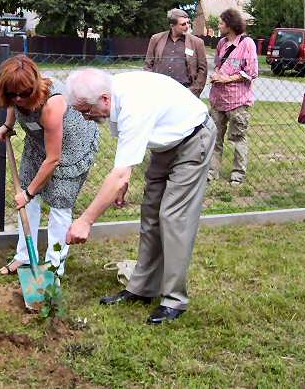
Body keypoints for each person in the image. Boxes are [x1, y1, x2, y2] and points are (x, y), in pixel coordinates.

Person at [64, 69, 217, 325]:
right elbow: (127, 155)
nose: (86, 118)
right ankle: (142, 288)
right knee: (150, 214)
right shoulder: (115, 95)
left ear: (104, 99)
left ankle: (174, 300)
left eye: (86, 111)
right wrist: (123, 178)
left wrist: (86, 220)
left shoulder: (133, 105)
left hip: (193, 139)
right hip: (165, 144)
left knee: (173, 217)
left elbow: (119, 172)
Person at [0, 55, 99, 277]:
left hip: (71, 145)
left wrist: (30, 192)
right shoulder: (16, 95)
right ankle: (23, 257)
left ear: (32, 88)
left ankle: (53, 268)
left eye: (24, 94)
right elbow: (14, 103)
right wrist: (7, 124)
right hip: (38, 140)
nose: (19, 99)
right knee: (26, 202)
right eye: (13, 94)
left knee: (59, 203)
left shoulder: (52, 104)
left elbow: (53, 159)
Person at [207, 8, 258, 184]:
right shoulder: (221, 43)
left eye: (221, 23)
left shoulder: (247, 43)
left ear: (230, 25)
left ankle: (237, 175)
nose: (219, 26)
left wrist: (227, 79)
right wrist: (216, 76)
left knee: (238, 139)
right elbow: (217, 65)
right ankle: (211, 172)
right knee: (214, 138)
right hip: (218, 100)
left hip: (238, 101)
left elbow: (251, 72)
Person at [144, 8, 207, 97]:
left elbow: (202, 70)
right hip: (159, 90)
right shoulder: (156, 39)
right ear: (172, 25)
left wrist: (194, 91)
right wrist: (151, 86)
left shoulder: (197, 42)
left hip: (185, 91)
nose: (187, 26)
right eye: (183, 24)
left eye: (188, 22)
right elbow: (148, 65)